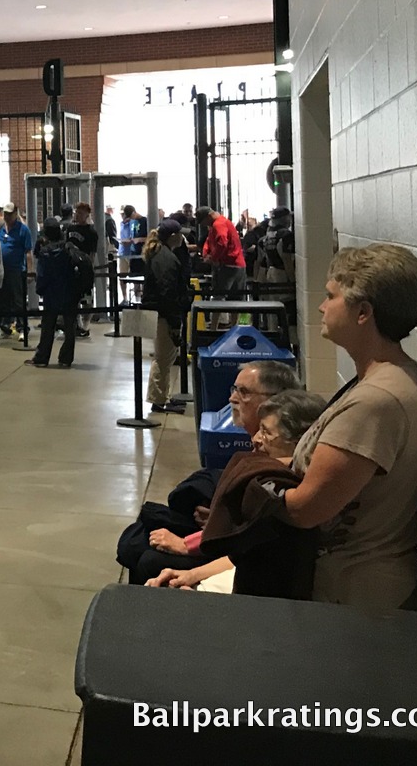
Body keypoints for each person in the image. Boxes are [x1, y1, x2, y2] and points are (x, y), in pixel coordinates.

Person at [279, 246, 417, 612]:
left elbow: (307, 509)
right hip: (354, 589)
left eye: (331, 296)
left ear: (363, 313)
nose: (321, 306)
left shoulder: (376, 401)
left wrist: (250, 496)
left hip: (357, 597)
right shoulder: (386, 378)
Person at [146, 388, 328, 594]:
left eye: (267, 433)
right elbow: (242, 555)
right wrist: (191, 575)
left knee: (150, 564)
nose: (256, 439)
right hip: (240, 575)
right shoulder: (260, 471)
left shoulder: (280, 492)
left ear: (300, 442)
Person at [141, 220, 190, 413]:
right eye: (180, 234)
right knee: (163, 358)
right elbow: (168, 292)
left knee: (166, 357)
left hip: (160, 313)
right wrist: (174, 321)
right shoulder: (166, 258)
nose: (183, 237)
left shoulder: (162, 255)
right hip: (163, 315)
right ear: (172, 237)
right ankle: (158, 400)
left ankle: (162, 396)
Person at [30, 220, 84, 368]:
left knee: (48, 326)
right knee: (69, 326)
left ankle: (42, 357)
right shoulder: (68, 248)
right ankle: (66, 358)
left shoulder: (44, 251)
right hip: (69, 291)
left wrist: (40, 289)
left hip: (51, 293)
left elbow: (42, 275)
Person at [0, 204, 33, 338]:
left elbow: (28, 252)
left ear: (16, 213)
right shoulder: (0, 227)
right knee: (3, 299)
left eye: (10, 214)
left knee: (18, 300)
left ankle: (23, 327)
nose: (7, 216)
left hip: (17, 270)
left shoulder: (23, 230)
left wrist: (30, 271)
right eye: (5, 213)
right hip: (2, 270)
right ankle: (5, 325)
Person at [66, 203, 100, 335]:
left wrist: (88, 269)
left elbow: (92, 254)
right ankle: (76, 323)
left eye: (80, 213)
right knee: (73, 297)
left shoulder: (91, 232)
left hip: (84, 268)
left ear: (87, 214)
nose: (77, 215)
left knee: (87, 298)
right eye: (76, 212)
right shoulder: (70, 229)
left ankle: (86, 325)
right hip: (71, 267)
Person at [116, 205, 146, 276]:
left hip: (142, 253)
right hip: (133, 253)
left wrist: (139, 239)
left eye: (131, 216)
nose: (131, 218)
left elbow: (150, 237)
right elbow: (133, 235)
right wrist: (129, 241)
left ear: (134, 212)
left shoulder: (144, 221)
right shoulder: (132, 221)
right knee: (134, 276)